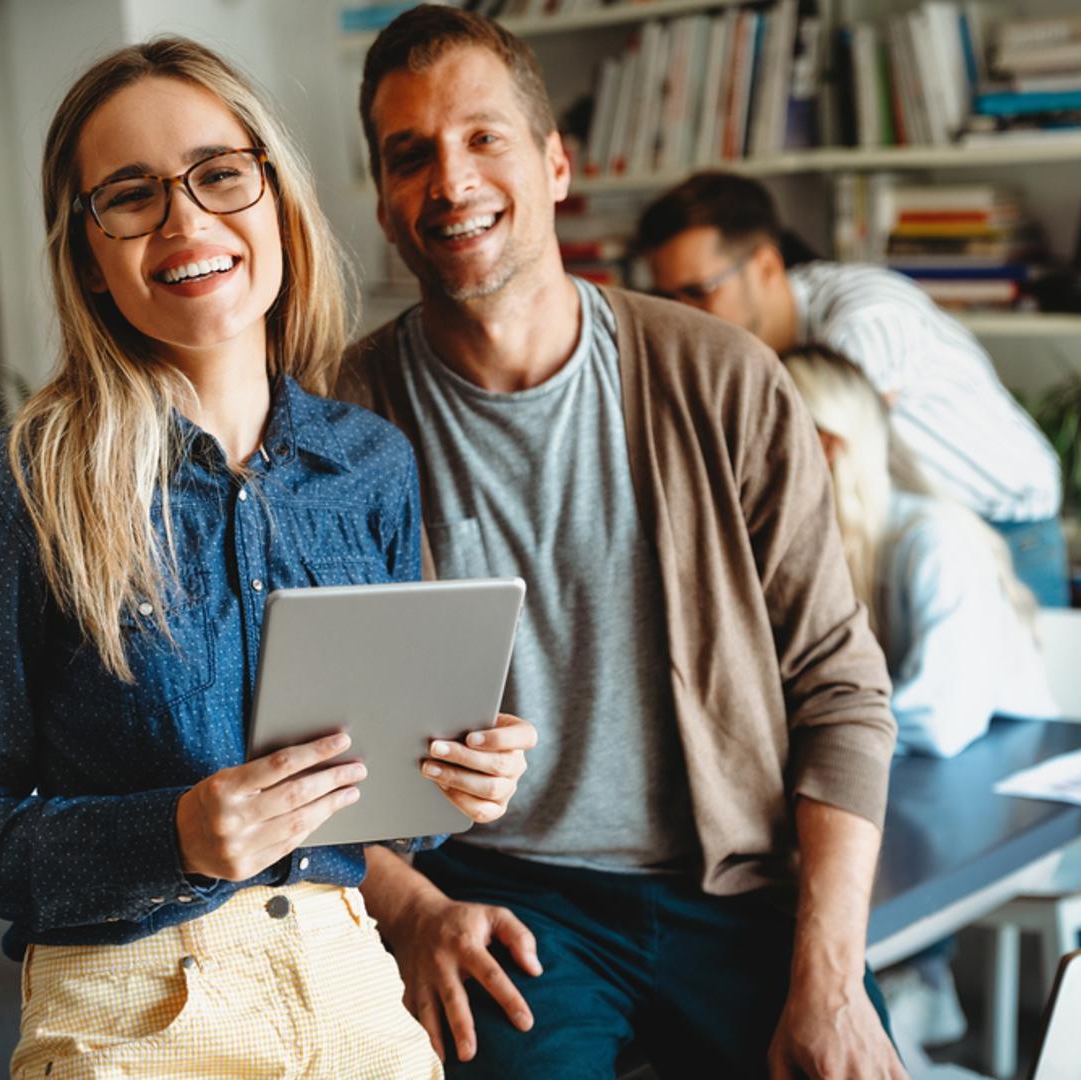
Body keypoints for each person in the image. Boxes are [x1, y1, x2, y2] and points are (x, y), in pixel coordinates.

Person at [0, 37, 536, 1080]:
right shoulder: (10, 492)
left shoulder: (369, 464)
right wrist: (174, 837)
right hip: (133, 1010)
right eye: (132, 195)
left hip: (348, 979)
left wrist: (451, 779)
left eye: (219, 174)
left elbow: (381, 823)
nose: (186, 221)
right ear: (89, 254)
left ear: (276, 196)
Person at [340, 7, 905, 1078]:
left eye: (483, 138)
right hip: (498, 899)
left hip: (736, 888)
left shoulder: (723, 376)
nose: (449, 182)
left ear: (557, 165)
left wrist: (829, 977)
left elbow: (838, 686)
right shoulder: (340, 422)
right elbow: (302, 745)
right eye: (409, 155)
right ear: (382, 201)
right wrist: (411, 910)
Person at [785, 343, 1059, 1049]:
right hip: (915, 783)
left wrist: (823, 738)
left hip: (994, 793)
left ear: (827, 446)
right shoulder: (821, 547)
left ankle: (898, 994)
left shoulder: (932, 540)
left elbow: (942, 714)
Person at [636, 172, 1071, 608]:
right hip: (904, 535)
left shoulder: (865, 318)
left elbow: (806, 461)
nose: (682, 318)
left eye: (697, 292)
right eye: (666, 298)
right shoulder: (735, 345)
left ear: (766, 266)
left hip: (1004, 526)